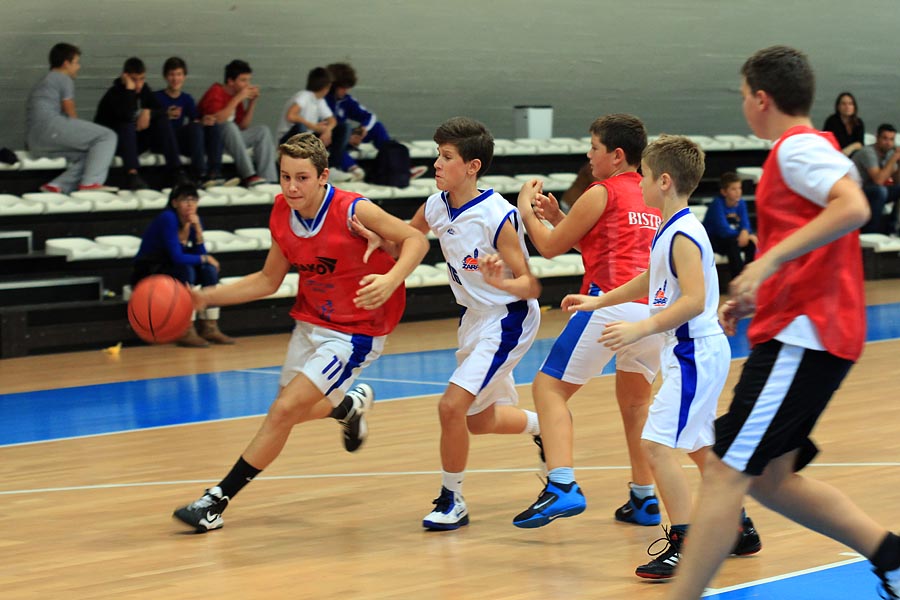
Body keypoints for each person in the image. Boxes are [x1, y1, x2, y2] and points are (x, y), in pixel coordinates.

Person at [666, 45, 900, 600]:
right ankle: (891, 556)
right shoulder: (804, 151)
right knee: (771, 481)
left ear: (761, 99)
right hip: (807, 328)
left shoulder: (795, 150)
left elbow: (853, 207)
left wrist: (765, 262)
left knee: (725, 473)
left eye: (745, 94)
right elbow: (815, 242)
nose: (744, 103)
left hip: (805, 335)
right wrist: (759, 291)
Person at [171, 133, 429, 532]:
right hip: (311, 321)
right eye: (284, 176)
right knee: (286, 412)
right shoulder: (281, 212)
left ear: (323, 176)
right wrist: (204, 298)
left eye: (302, 178)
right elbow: (268, 280)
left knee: (282, 412)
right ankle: (348, 406)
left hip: (355, 331)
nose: (291, 187)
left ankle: (215, 501)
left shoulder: (351, 209)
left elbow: (415, 239)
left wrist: (392, 278)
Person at [561, 135, 761, 579]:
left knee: (656, 444)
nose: (641, 184)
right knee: (697, 444)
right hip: (691, 351)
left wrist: (641, 327)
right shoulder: (669, 228)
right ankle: (739, 526)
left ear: (664, 181)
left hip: (693, 350)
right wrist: (598, 301)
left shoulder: (684, 233)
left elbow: (693, 299)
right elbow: (648, 279)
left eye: (646, 177)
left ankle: (686, 542)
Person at [511, 114, 665, 530]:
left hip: (608, 303)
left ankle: (561, 484)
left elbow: (546, 248)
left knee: (548, 388)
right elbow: (604, 242)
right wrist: (561, 218)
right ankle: (644, 498)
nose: (587, 154)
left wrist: (526, 211)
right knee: (636, 406)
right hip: (652, 313)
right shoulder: (652, 196)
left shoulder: (601, 191)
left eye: (593, 147)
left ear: (616, 155)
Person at [410, 117, 543, 530]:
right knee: (476, 421)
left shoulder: (497, 216)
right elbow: (409, 236)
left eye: (446, 157)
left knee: (450, 406)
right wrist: (376, 237)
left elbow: (531, 285)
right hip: (473, 319)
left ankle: (453, 500)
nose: (436, 163)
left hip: (508, 318)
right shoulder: (436, 205)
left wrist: (500, 279)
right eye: (437, 155)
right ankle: (545, 428)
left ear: (472, 166)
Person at [132, 183, 234, 347]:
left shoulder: (194, 220)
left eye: (194, 200)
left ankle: (210, 326)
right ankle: (186, 329)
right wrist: (205, 258)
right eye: (185, 200)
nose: (190, 204)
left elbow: (199, 254)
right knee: (187, 270)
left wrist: (198, 231)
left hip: (172, 268)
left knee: (209, 271)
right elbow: (177, 257)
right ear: (174, 203)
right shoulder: (168, 218)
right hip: (150, 269)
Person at [25, 42, 117, 194]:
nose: (78, 67)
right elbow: (70, 112)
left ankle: (57, 185)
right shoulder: (62, 78)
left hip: (35, 142)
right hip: (50, 129)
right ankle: (91, 184)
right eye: (76, 63)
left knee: (91, 155)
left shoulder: (46, 80)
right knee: (107, 136)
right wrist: (82, 132)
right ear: (66, 64)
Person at [95, 57, 191, 190]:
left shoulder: (143, 89)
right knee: (126, 124)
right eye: (134, 79)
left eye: (142, 79)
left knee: (161, 120)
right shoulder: (113, 94)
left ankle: (177, 170)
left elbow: (161, 110)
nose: (139, 84)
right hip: (114, 145)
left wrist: (147, 112)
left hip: (134, 143)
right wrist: (129, 89)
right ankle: (132, 174)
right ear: (125, 77)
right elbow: (126, 115)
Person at [324, 62, 428, 182]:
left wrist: (363, 130)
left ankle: (401, 167)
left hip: (345, 137)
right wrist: (346, 138)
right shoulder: (320, 100)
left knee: (377, 127)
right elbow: (319, 130)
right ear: (333, 85)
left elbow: (369, 116)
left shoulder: (346, 100)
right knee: (339, 137)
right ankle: (353, 169)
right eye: (343, 88)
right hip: (328, 140)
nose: (346, 91)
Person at [154, 57, 237, 189]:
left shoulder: (186, 98)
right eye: (172, 75)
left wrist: (206, 120)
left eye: (179, 74)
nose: (175, 79)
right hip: (164, 142)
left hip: (183, 141)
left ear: (184, 77)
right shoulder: (157, 97)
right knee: (195, 127)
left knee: (212, 125)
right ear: (165, 77)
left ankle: (215, 172)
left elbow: (196, 120)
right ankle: (200, 173)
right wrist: (165, 114)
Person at [198, 59, 277, 187]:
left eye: (249, 80)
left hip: (232, 141)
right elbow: (217, 121)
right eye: (243, 80)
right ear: (230, 81)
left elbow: (243, 126)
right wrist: (238, 98)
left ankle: (269, 179)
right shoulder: (216, 91)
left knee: (263, 131)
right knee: (229, 126)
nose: (247, 84)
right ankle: (249, 175)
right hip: (214, 143)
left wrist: (252, 103)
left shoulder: (237, 95)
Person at [702, 171, 758, 279]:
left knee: (751, 244)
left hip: (733, 239)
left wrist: (746, 232)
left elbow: (745, 223)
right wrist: (741, 235)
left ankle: (750, 276)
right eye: (733, 189)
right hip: (714, 240)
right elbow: (723, 230)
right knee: (732, 243)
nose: (738, 192)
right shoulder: (716, 204)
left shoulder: (741, 203)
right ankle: (738, 278)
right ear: (724, 192)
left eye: (739, 188)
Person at [852, 123, 900, 234]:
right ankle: (871, 232)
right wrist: (894, 159)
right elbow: (878, 180)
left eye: (891, 139)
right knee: (880, 191)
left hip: (874, 191)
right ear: (877, 138)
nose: (888, 143)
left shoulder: (890, 154)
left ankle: (893, 229)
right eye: (885, 138)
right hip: (857, 192)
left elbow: (897, 182)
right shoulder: (868, 152)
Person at [822, 92, 865, 157]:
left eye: (850, 104)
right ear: (838, 107)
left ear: (854, 107)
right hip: (835, 155)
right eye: (843, 104)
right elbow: (825, 141)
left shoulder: (858, 122)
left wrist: (850, 149)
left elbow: (860, 144)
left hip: (854, 156)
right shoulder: (831, 121)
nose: (847, 107)